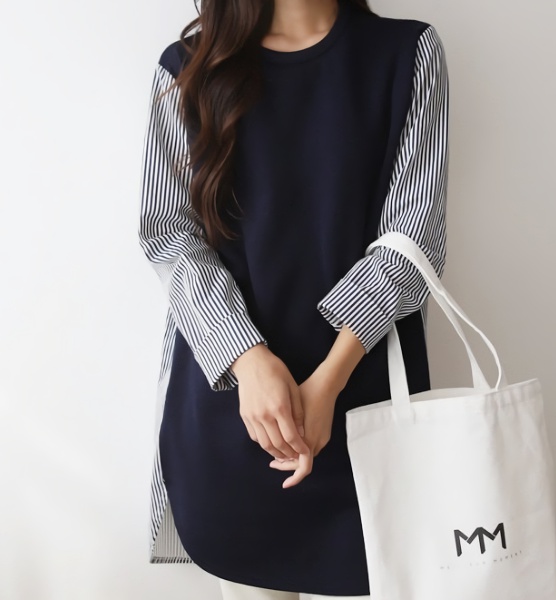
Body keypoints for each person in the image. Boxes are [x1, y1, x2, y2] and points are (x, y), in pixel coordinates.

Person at [137, 0, 449, 598]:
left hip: (366, 407)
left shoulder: (408, 53)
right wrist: (249, 361)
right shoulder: (188, 68)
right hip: (236, 409)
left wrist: (327, 383)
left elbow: (415, 237)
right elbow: (170, 235)